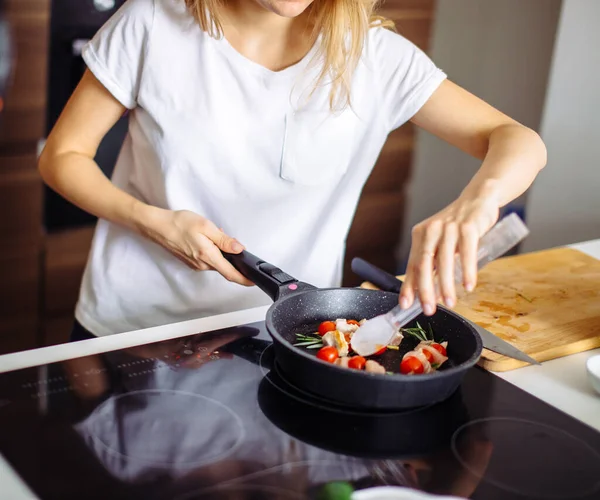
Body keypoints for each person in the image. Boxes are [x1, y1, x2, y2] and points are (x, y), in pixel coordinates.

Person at [38, 0, 547, 339]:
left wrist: (475, 205)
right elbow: (63, 157)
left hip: (288, 336)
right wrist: (152, 220)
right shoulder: (150, 22)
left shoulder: (376, 57)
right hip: (133, 330)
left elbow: (516, 139)